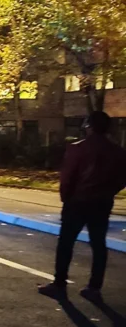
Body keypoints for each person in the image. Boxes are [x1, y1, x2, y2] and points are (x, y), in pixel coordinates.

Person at [39, 111, 126, 301]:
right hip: (101, 203)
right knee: (98, 244)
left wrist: (66, 198)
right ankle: (94, 287)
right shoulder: (118, 151)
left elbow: (68, 177)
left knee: (66, 243)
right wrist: (109, 192)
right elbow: (122, 178)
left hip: (77, 202)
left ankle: (59, 284)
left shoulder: (77, 149)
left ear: (88, 126)